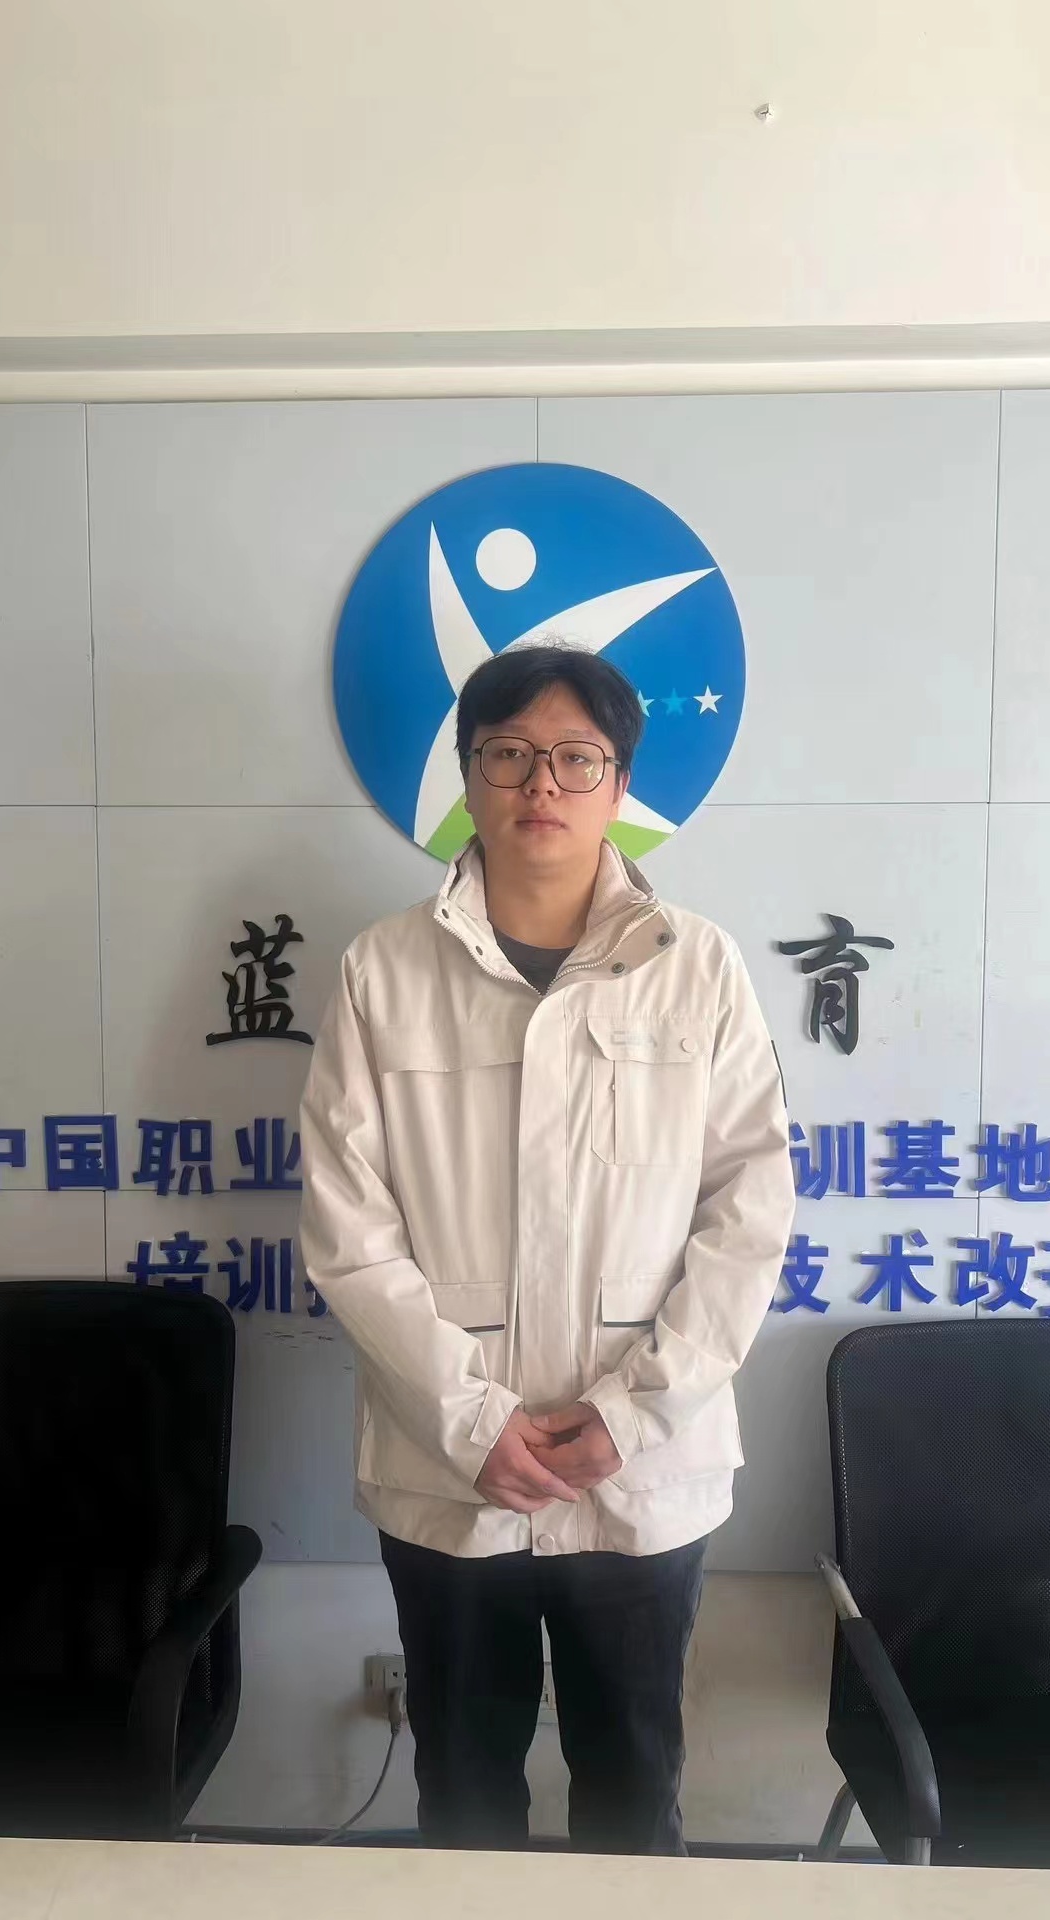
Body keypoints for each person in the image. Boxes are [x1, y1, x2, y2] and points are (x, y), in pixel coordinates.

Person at [299, 642, 795, 1855]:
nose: (542, 785)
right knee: (464, 1792)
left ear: (619, 783)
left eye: (577, 758)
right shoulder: (384, 971)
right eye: (509, 754)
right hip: (449, 1471)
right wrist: (471, 1420)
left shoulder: (696, 966)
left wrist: (634, 1412)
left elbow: (748, 1210)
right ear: (468, 774)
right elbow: (349, 1227)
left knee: (634, 1787)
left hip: (641, 1474)